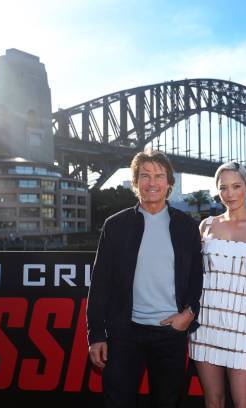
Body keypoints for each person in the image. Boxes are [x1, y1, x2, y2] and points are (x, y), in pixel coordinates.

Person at [86, 149, 203, 408]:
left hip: (170, 332)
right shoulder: (115, 225)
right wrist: (96, 334)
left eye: (159, 176)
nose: (152, 182)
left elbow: (197, 277)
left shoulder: (186, 226)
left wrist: (189, 313)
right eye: (145, 175)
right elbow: (100, 283)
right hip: (125, 334)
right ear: (136, 182)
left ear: (169, 183)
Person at [189, 161, 246, 408]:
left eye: (236, 186)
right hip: (205, 323)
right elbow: (193, 277)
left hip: (243, 324)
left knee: (244, 403)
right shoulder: (205, 226)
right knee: (213, 400)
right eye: (223, 188)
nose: (230, 194)